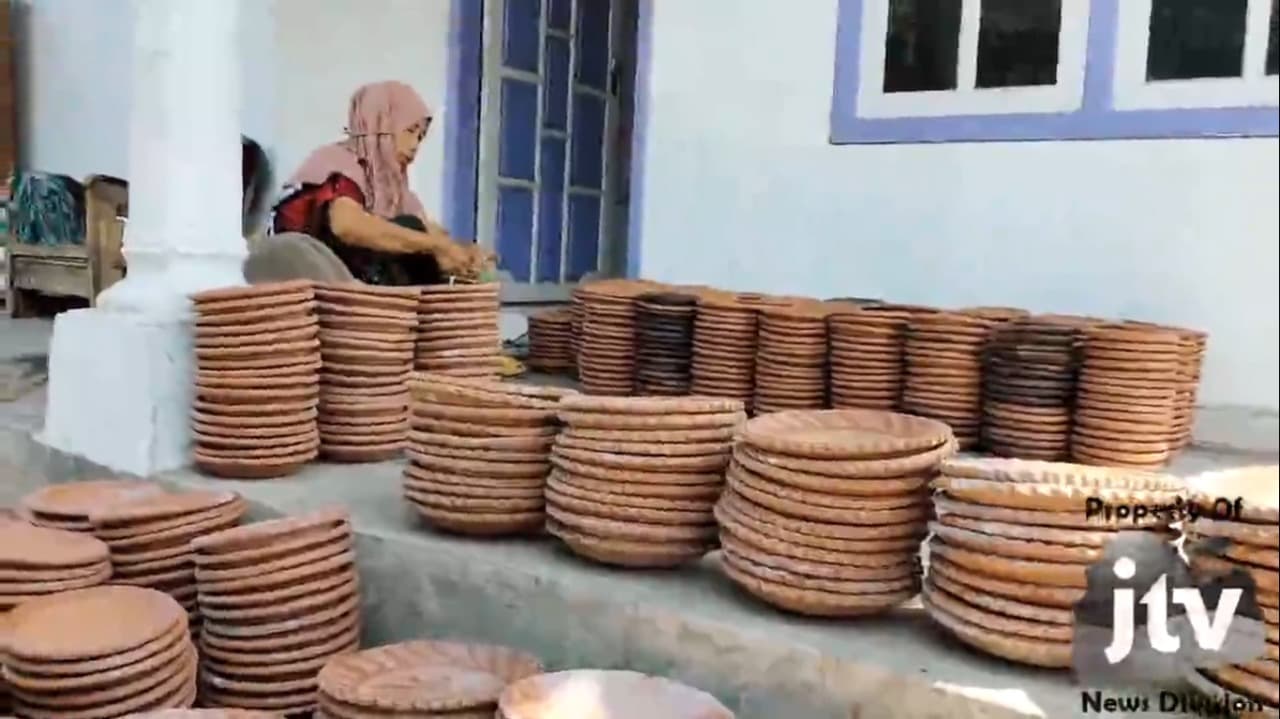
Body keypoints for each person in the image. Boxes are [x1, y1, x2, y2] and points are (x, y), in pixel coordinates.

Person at [244, 81, 492, 285]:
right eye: (409, 131)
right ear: (380, 124)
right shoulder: (336, 162)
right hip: (302, 283)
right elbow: (347, 225)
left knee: (418, 238)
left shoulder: (394, 190)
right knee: (412, 231)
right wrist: (435, 245)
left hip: (354, 285)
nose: (416, 145)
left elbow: (432, 236)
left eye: (421, 136)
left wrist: (465, 255)